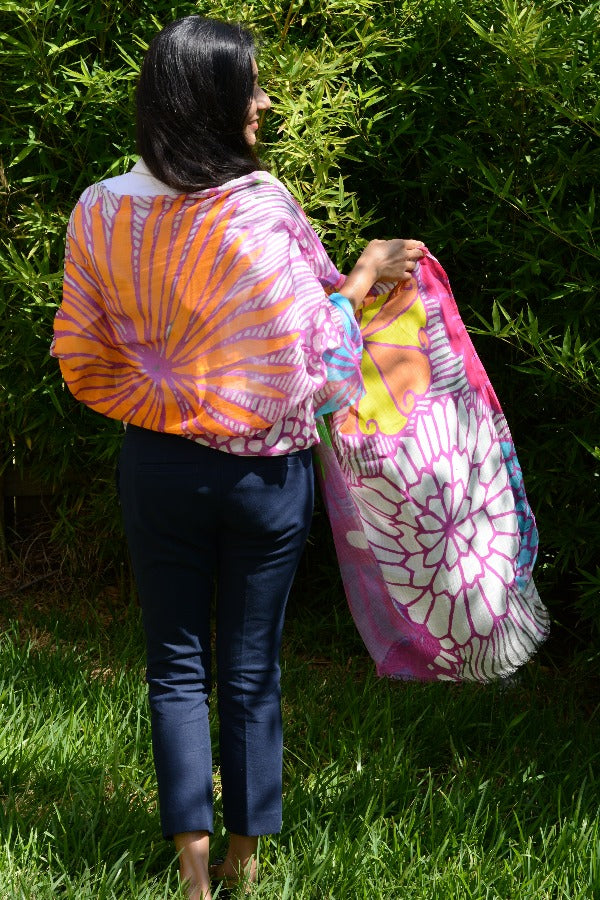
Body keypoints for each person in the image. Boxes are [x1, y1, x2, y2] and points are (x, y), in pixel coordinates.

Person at [51, 16, 424, 899]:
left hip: (159, 466)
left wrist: (161, 401)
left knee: (173, 663)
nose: (263, 100)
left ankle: (191, 878)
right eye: (250, 85)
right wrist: (366, 275)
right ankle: (246, 867)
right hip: (262, 479)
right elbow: (316, 360)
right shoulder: (258, 206)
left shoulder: (101, 208)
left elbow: (81, 348)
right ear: (211, 101)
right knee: (250, 665)